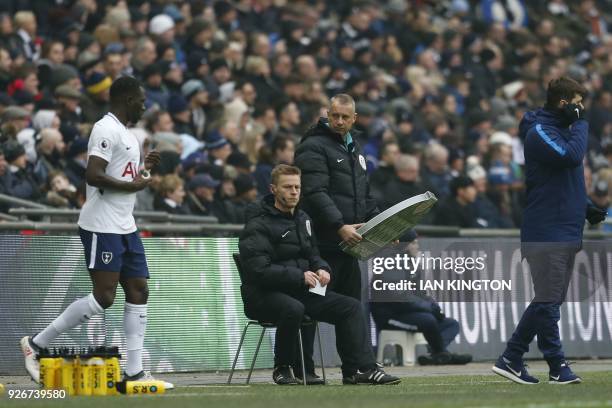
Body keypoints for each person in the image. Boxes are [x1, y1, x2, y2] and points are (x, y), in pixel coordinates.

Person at [20, 76, 173, 388]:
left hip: (124, 223)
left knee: (139, 289)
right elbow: (94, 174)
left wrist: (145, 171)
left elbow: (127, 178)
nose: (145, 105)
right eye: (141, 100)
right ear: (128, 99)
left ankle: (134, 372)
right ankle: (35, 345)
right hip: (101, 224)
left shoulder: (127, 134)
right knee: (105, 296)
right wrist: (134, 183)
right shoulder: (105, 128)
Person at [239, 164, 400, 385]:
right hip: (264, 294)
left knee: (350, 306)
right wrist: (300, 276)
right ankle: (283, 368)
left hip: (300, 291)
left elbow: (314, 254)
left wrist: (323, 268)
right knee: (293, 308)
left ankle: (363, 369)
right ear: (273, 189)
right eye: (288, 187)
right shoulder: (257, 224)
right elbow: (258, 270)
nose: (294, 192)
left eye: (297, 187)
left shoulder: (303, 218)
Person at [492, 77, 607, 385]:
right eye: (578, 103)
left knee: (548, 300)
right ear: (563, 103)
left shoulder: (558, 131)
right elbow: (572, 157)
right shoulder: (539, 132)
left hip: (564, 228)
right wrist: (581, 125)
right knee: (547, 301)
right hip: (546, 231)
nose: (582, 109)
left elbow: (561, 180)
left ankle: (511, 357)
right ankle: (557, 364)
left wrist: (586, 206)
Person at [294, 93, 379, 301]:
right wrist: (339, 226)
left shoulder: (354, 149)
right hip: (321, 248)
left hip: (348, 248)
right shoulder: (313, 146)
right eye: (335, 116)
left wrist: (382, 225)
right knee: (309, 312)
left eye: (345, 117)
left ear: (354, 118)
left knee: (352, 313)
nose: (339, 121)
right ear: (328, 115)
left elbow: (363, 194)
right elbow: (314, 191)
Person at [369, 231, 472, 366]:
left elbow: (419, 293)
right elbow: (400, 297)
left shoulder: (411, 264)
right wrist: (428, 308)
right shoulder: (390, 262)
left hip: (408, 312)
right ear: (404, 245)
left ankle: (438, 354)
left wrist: (434, 307)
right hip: (390, 316)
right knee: (427, 320)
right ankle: (441, 353)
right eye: (414, 243)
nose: (417, 246)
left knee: (451, 324)